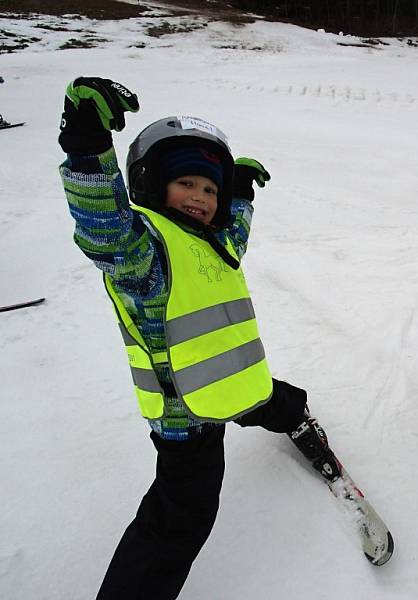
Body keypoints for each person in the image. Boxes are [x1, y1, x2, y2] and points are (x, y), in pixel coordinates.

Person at [58, 77, 342, 599]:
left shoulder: (211, 243)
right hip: (185, 419)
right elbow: (103, 225)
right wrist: (87, 145)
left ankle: (293, 415)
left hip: (235, 379)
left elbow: (234, 235)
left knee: (267, 399)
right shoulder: (142, 253)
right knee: (178, 522)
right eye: (186, 183)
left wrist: (238, 196)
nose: (201, 197)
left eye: (210, 189)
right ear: (150, 184)